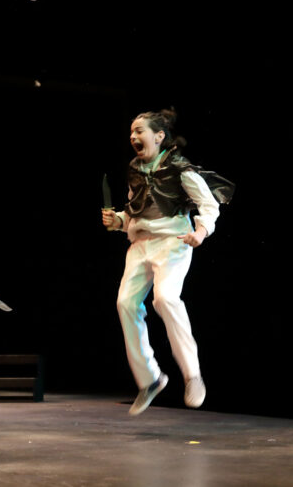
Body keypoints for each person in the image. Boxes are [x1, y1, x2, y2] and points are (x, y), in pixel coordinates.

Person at [102, 109, 234, 416]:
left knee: (165, 299)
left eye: (139, 131)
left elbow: (209, 204)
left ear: (159, 136)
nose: (133, 137)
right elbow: (135, 211)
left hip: (173, 243)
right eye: (131, 132)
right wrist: (118, 221)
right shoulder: (135, 168)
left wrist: (201, 231)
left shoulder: (179, 168)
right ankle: (150, 379)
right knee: (125, 303)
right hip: (140, 245)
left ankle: (192, 374)